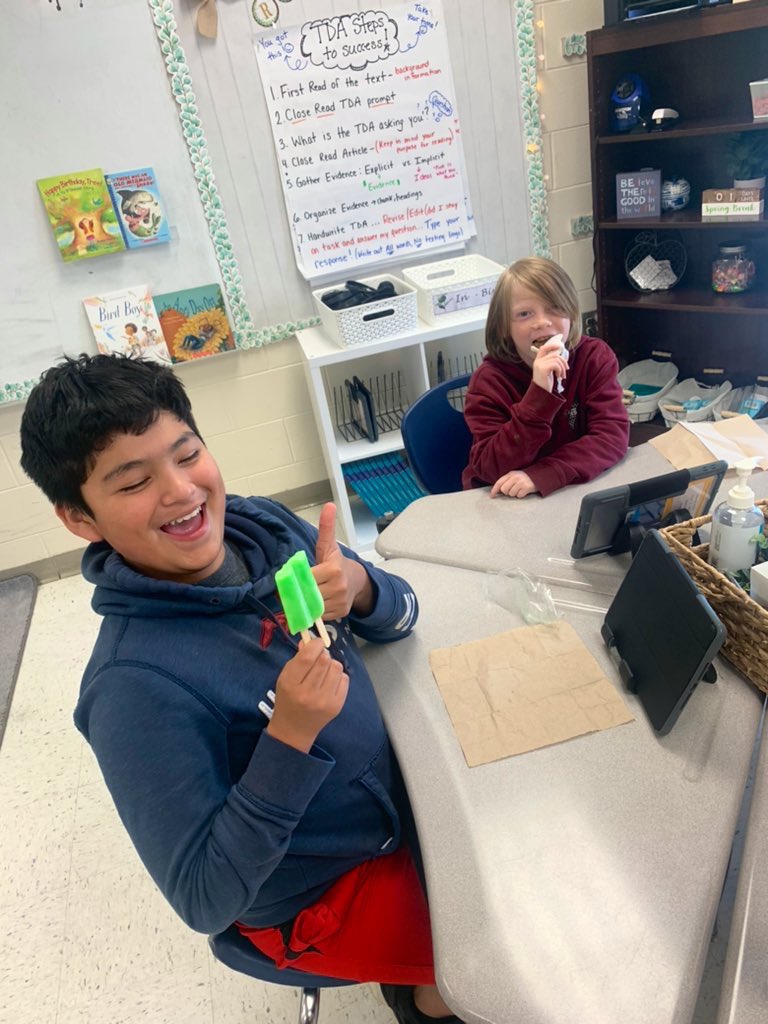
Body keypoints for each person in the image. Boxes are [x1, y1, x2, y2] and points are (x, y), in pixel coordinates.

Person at [19, 354, 462, 1024]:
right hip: (320, 887)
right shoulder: (133, 690)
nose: (179, 491)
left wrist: (365, 588)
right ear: (80, 519)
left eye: (187, 453)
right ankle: (428, 998)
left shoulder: (268, 530)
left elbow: (404, 614)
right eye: (134, 481)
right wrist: (288, 736)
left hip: (402, 795)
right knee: (488, 958)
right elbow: (205, 899)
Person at [462, 257, 629, 498]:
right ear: (503, 327)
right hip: (505, 501)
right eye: (524, 314)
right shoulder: (488, 381)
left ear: (571, 315)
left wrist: (543, 474)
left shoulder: (594, 358)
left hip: (570, 489)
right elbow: (489, 467)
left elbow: (611, 436)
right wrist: (539, 394)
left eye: (554, 308)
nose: (541, 322)